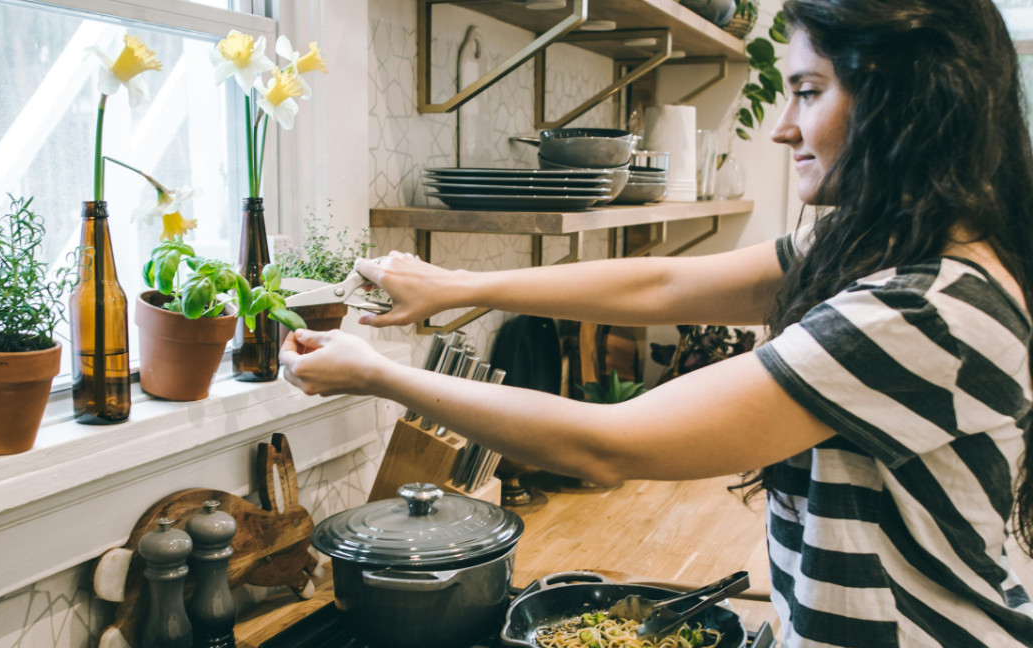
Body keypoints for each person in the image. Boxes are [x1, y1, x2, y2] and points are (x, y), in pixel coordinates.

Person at [280, 0, 1033, 644]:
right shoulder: (883, 245)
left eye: (807, 90)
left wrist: (380, 375)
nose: (782, 128)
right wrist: (460, 286)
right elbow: (667, 283)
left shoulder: (921, 306)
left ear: (905, 99)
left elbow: (608, 444)